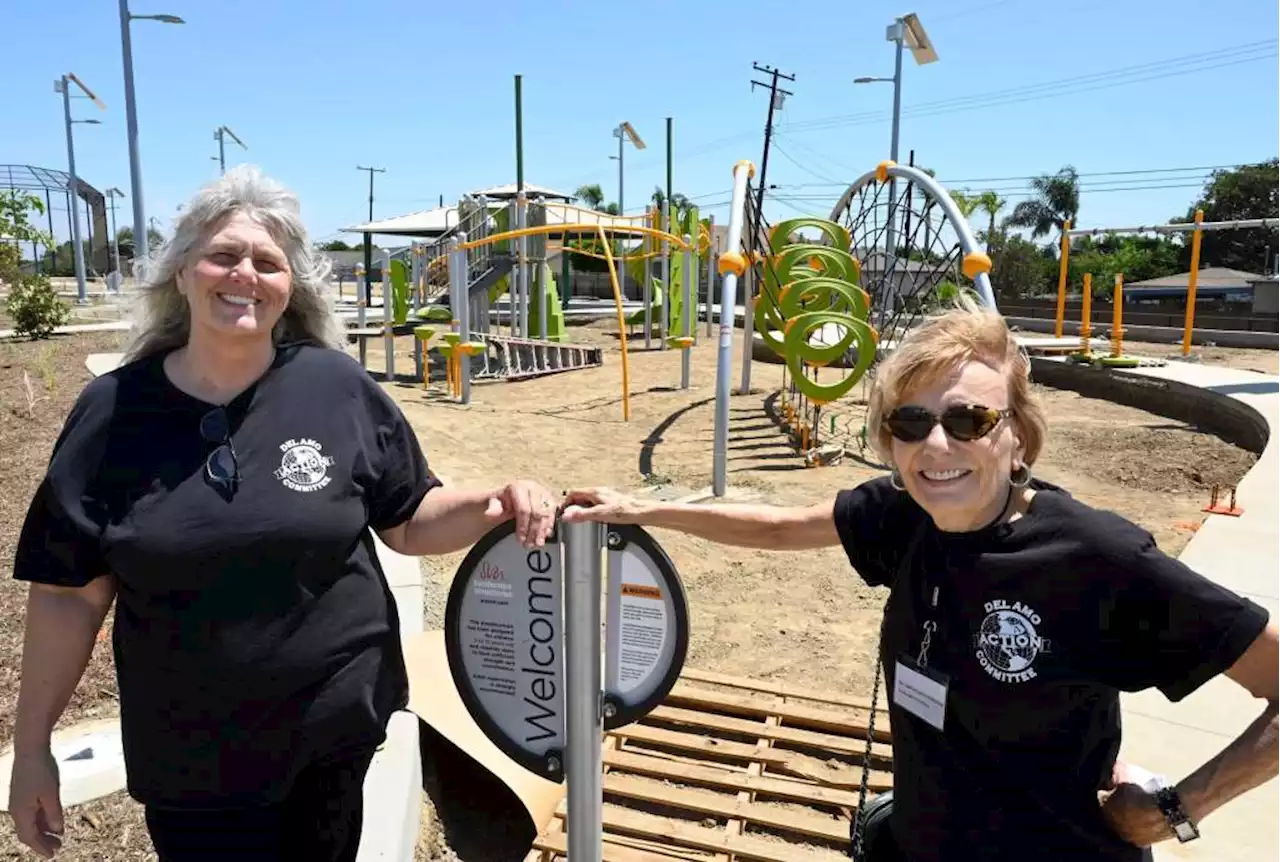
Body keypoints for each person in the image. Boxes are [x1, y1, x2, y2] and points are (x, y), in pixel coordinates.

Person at [562, 296, 1280, 862]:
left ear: (1018, 436)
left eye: (970, 419)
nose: (937, 445)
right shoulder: (902, 516)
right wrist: (643, 507)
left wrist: (1178, 809)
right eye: (912, 422)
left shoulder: (1095, 555)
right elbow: (780, 526)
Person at [8, 165, 559, 862]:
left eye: (267, 262)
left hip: (331, 734)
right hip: (192, 758)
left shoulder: (335, 386)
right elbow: (67, 595)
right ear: (181, 273)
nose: (244, 273)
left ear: (289, 285)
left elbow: (409, 515)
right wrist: (33, 749)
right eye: (222, 255)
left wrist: (493, 501)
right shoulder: (114, 412)